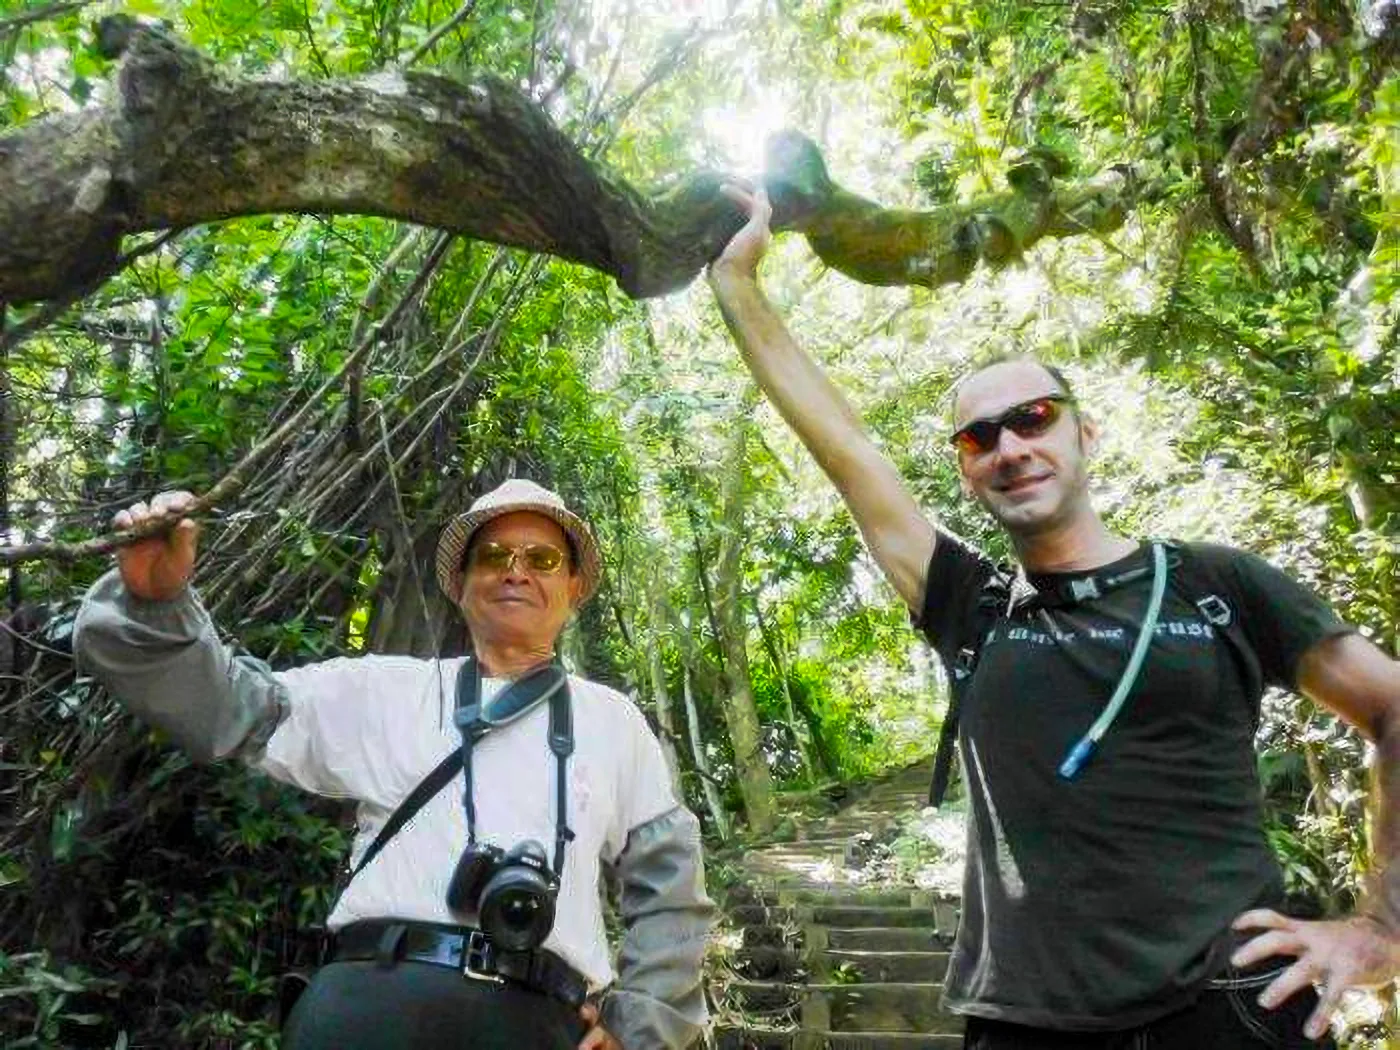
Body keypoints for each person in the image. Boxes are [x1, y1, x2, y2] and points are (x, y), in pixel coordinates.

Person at [707, 185, 1400, 1048]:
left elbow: (1390, 705)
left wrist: (1382, 928)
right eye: (980, 437)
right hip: (1027, 1024)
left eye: (1034, 419)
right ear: (966, 471)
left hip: (1229, 1008)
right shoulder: (971, 607)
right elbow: (845, 448)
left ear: (1085, 435)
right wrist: (737, 284)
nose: (1011, 448)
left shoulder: (1214, 583)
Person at [73, 477, 714, 1050]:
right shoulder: (383, 689)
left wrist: (641, 1024)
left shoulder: (613, 720)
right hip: (371, 1001)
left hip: (540, 1017)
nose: (516, 571)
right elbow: (230, 708)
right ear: (460, 584)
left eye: (542, 559)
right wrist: (156, 603)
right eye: (493, 556)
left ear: (573, 588)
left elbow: (671, 885)